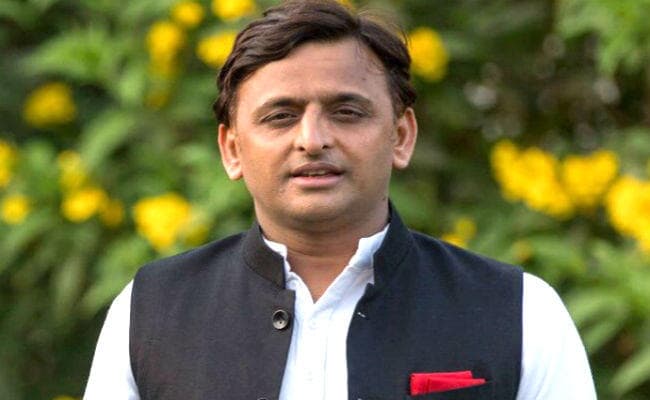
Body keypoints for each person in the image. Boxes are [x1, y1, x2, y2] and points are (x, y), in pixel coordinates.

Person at [84, 1, 597, 399]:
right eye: (280, 116)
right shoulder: (151, 312)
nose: (312, 139)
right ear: (232, 149)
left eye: (347, 112)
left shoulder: (520, 312)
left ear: (401, 136)